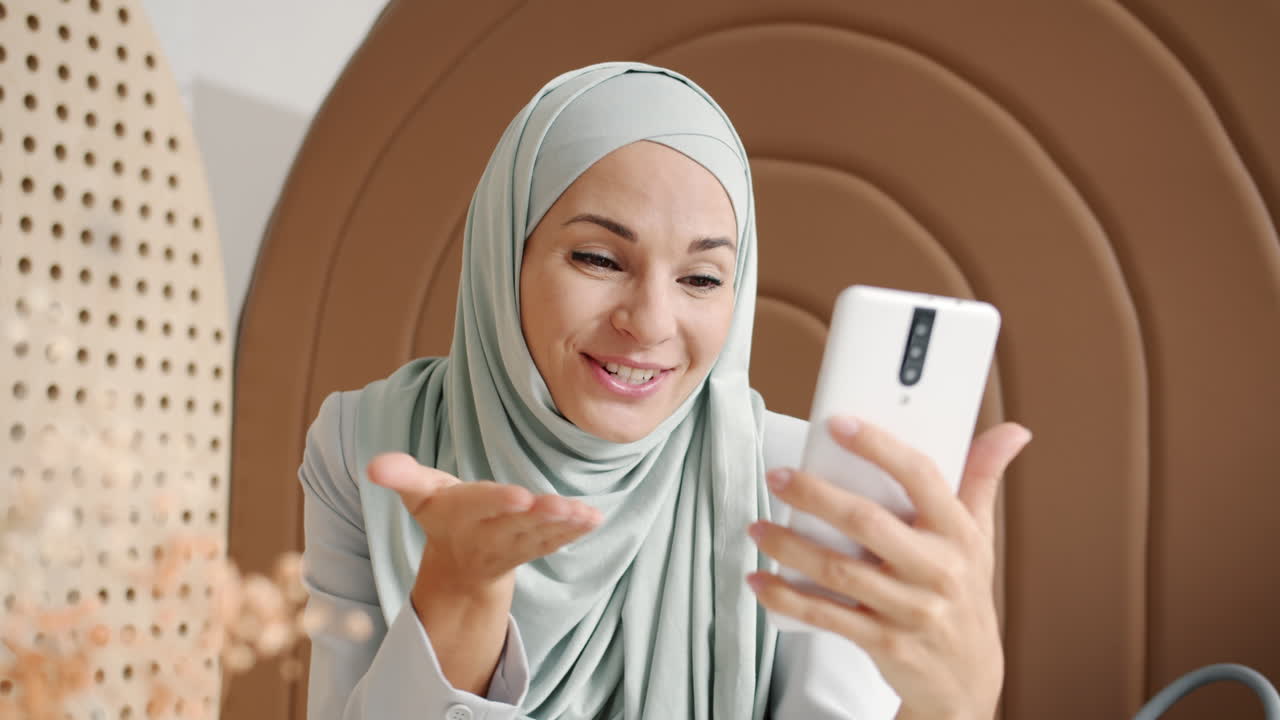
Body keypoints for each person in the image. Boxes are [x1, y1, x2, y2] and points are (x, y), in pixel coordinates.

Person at [298, 62, 1031, 720]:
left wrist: (955, 702)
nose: (649, 322)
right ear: (504, 253)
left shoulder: (795, 486)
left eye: (701, 279)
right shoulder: (366, 444)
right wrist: (458, 598)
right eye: (597, 258)